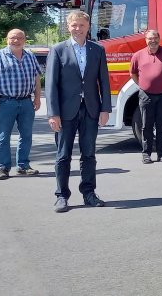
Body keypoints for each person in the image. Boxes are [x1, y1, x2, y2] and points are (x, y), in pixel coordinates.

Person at [46, 11, 111, 213]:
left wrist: (105, 108)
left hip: (91, 109)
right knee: (63, 155)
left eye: (82, 25)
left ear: (88, 27)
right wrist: (53, 113)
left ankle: (89, 193)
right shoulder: (58, 50)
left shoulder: (97, 50)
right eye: (74, 25)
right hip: (65, 112)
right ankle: (61, 196)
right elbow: (51, 85)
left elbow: (104, 82)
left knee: (89, 154)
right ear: (68, 26)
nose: (78, 29)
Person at [0, 29, 43, 180]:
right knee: (3, 136)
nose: (16, 40)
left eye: (19, 38)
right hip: (5, 102)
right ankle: (3, 167)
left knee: (26, 135)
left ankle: (23, 166)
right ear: (6, 39)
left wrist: (37, 98)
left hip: (26, 102)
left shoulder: (30, 56)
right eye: (12, 38)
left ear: (24, 40)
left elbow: (36, 78)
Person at [130, 29, 162, 164]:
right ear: (145, 40)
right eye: (150, 38)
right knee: (146, 125)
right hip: (146, 95)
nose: (153, 41)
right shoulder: (138, 55)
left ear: (159, 38)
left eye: (155, 38)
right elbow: (133, 73)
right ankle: (146, 154)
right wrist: (142, 85)